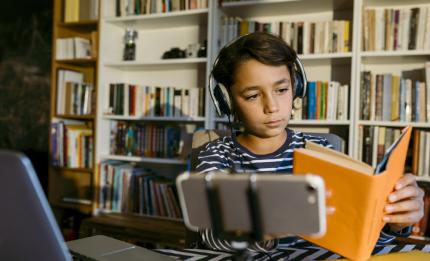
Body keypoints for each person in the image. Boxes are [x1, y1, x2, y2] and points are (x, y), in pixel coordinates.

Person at [195, 32, 424, 252]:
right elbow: (210, 235)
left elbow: (352, 235)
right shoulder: (217, 155)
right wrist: (266, 227)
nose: (272, 107)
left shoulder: (320, 150)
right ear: (226, 102)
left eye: (282, 89)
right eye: (253, 96)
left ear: (297, 88)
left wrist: (393, 220)